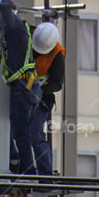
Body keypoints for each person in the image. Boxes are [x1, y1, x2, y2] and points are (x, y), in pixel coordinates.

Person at [0, 1, 42, 175]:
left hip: (24, 87)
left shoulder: (15, 27)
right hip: (26, 86)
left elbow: (6, 9)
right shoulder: (8, 36)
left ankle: (28, 170)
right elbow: (0, 54)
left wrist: (3, 4)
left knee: (21, 133)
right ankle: (23, 165)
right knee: (22, 132)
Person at [31, 21, 64, 176]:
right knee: (14, 130)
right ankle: (18, 163)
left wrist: (38, 90)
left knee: (36, 133)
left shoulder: (57, 56)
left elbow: (57, 84)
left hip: (41, 98)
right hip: (20, 91)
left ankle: (45, 175)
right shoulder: (31, 34)